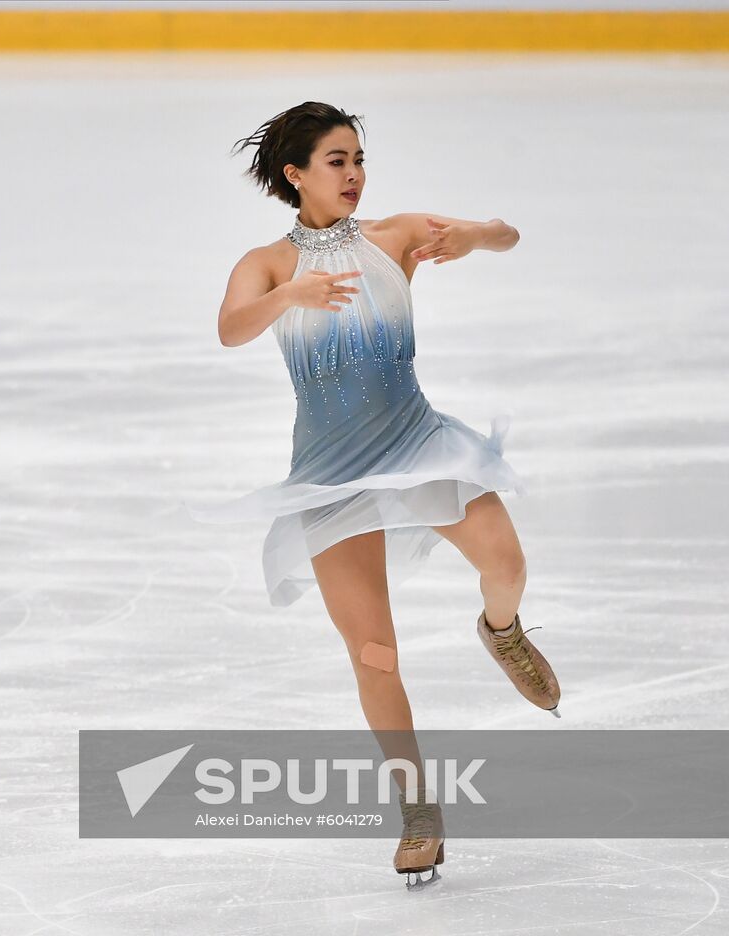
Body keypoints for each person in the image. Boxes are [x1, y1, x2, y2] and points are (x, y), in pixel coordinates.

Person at [211, 102, 561, 886]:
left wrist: (475, 236)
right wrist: (288, 299)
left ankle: (500, 630)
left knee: (505, 563)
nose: (354, 174)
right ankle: (418, 812)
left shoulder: (393, 236)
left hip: (418, 444)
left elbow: (505, 231)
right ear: (296, 174)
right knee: (374, 653)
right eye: (336, 161)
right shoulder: (267, 262)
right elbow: (231, 326)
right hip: (331, 477)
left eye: (359, 158)